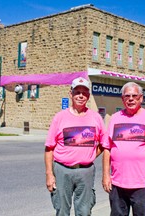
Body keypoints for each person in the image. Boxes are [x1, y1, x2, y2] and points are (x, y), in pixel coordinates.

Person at [44, 77, 106, 216]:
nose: (80, 95)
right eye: (77, 92)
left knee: (84, 211)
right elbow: (49, 148)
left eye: (84, 93)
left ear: (88, 96)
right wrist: (49, 174)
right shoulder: (60, 117)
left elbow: (104, 143)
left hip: (86, 172)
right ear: (71, 94)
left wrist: (90, 155)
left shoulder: (96, 118)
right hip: (62, 170)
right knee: (62, 210)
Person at [102, 82, 145, 216]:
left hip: (142, 184)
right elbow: (107, 148)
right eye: (127, 96)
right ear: (122, 99)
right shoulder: (115, 118)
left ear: (141, 98)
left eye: (134, 96)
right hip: (117, 183)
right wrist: (106, 175)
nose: (131, 99)